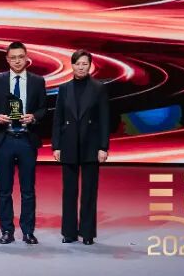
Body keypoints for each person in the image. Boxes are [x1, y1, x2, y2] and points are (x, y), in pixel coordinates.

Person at [0, 41, 47, 245]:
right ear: (7, 60)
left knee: (28, 190)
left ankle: (28, 231)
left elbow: (43, 109)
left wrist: (34, 117)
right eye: (13, 58)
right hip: (4, 139)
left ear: (26, 58)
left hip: (26, 140)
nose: (17, 61)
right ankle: (7, 230)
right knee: (4, 190)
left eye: (20, 57)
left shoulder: (37, 81)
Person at [52, 49, 110, 245]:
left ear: (90, 65)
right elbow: (58, 119)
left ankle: (87, 233)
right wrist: (56, 146)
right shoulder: (64, 88)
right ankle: (69, 232)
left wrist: (103, 147)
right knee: (69, 191)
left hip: (91, 145)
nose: (81, 67)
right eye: (78, 64)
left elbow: (104, 119)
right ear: (72, 65)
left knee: (89, 191)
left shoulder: (98, 88)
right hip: (68, 144)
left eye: (85, 64)